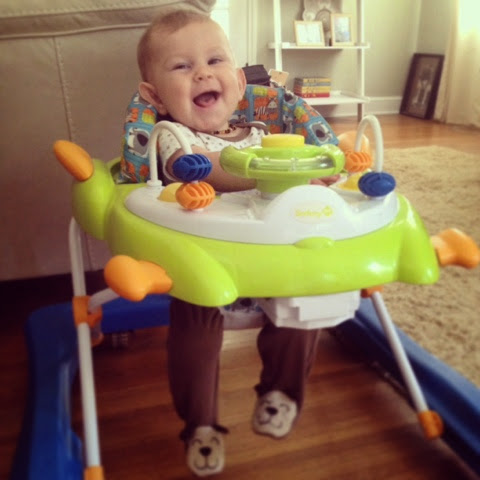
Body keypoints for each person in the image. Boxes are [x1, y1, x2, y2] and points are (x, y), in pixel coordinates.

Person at [137, 10, 321, 477]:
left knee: (305, 299)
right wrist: (272, 173)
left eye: (214, 60)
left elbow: (298, 177)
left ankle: (281, 393)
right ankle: (200, 424)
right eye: (182, 66)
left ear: (239, 83)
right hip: (207, 264)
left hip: (270, 255)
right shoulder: (170, 138)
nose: (202, 73)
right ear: (155, 97)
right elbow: (204, 169)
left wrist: (316, 175)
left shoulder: (264, 135)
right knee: (194, 325)